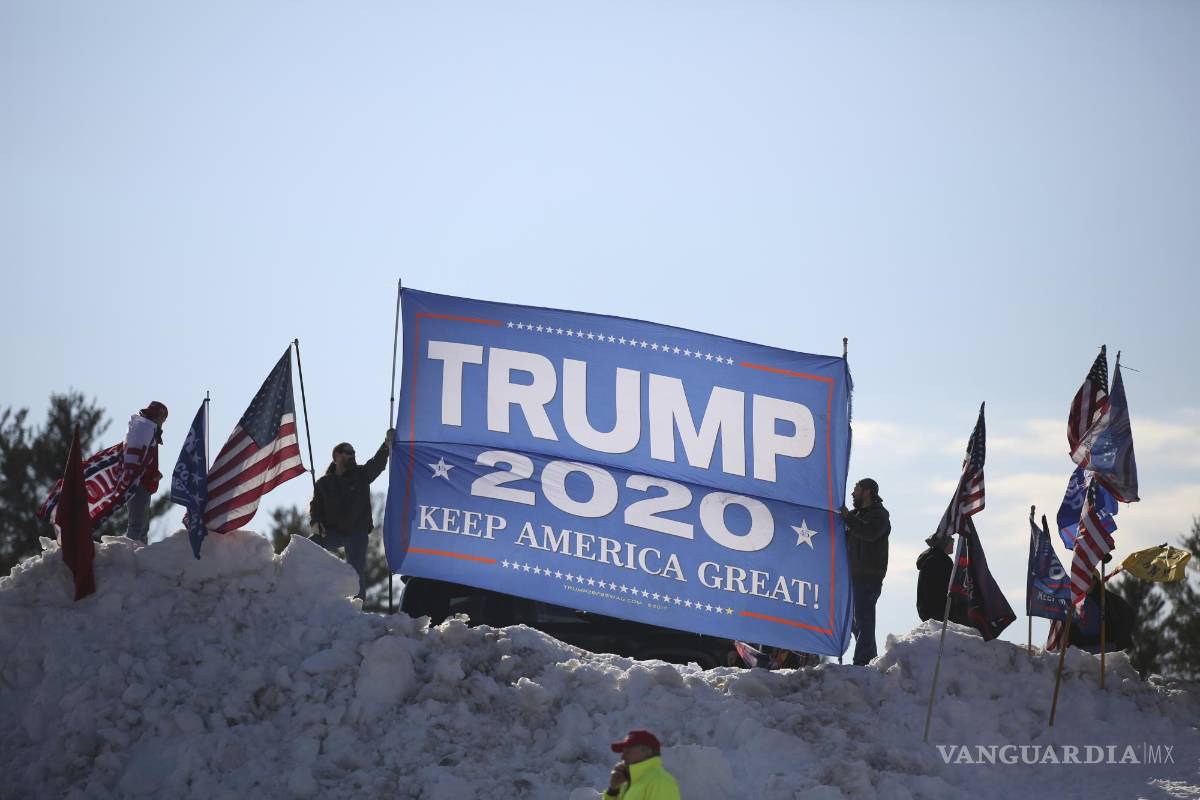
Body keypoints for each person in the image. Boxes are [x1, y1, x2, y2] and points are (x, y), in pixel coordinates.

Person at [309, 429, 394, 600]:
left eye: (353, 453)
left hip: (357, 532)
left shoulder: (361, 475)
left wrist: (386, 445)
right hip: (333, 532)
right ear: (336, 456)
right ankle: (305, 588)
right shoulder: (324, 483)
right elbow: (315, 507)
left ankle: (357, 608)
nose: (352, 455)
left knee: (356, 571)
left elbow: (377, 464)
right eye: (348, 452)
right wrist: (315, 523)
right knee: (308, 545)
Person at [840, 478, 890, 666]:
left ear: (867, 492)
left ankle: (863, 661)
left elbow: (868, 533)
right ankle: (870, 657)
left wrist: (848, 518)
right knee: (856, 621)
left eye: (857, 489)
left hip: (868, 577)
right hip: (852, 577)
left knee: (863, 619)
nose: (853, 494)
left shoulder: (879, 516)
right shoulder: (855, 516)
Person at [124, 401, 168, 543]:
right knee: (137, 526)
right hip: (139, 483)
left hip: (143, 483)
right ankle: (132, 556)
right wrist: (150, 473)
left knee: (142, 526)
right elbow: (139, 458)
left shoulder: (145, 431)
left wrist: (153, 473)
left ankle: (140, 555)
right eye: (162, 417)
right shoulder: (146, 431)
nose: (163, 421)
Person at [604, 730, 680, 799]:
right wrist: (613, 790)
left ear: (647, 752)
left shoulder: (661, 781)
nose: (622, 756)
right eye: (623, 751)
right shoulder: (627, 783)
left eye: (628, 750)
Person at [916, 536, 968, 624]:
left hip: (928, 611)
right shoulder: (941, 560)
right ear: (944, 544)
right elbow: (945, 588)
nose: (953, 544)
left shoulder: (931, 558)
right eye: (951, 541)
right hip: (940, 611)